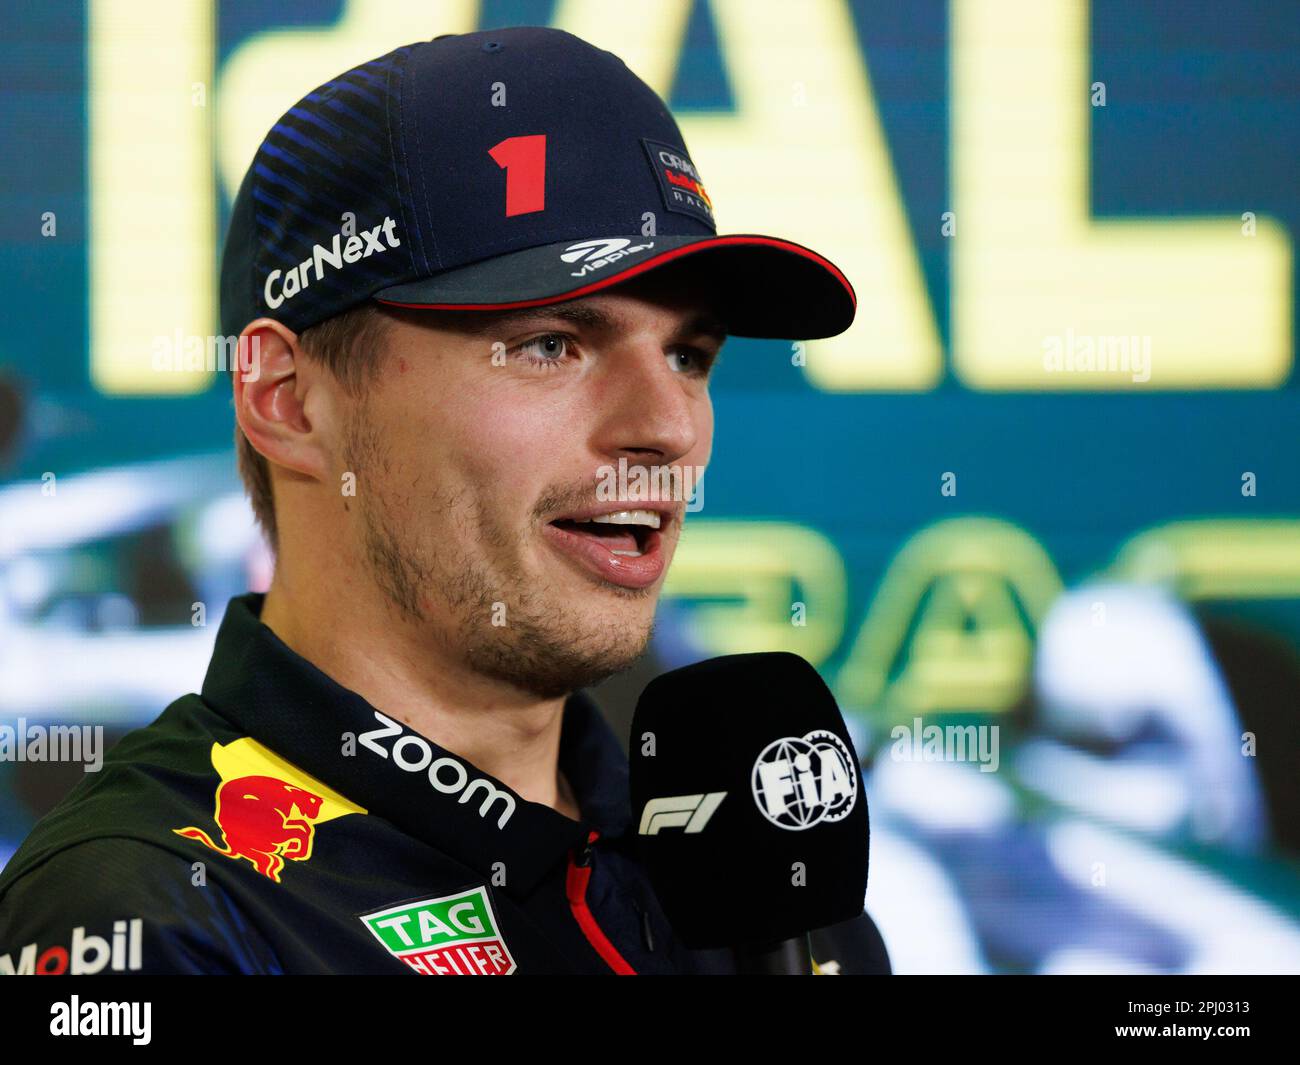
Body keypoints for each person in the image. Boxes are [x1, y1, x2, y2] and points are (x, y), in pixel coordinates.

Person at [0, 26, 883, 974]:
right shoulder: (150, 917)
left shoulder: (749, 880)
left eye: (688, 355)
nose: (669, 426)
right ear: (288, 400)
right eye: (552, 343)